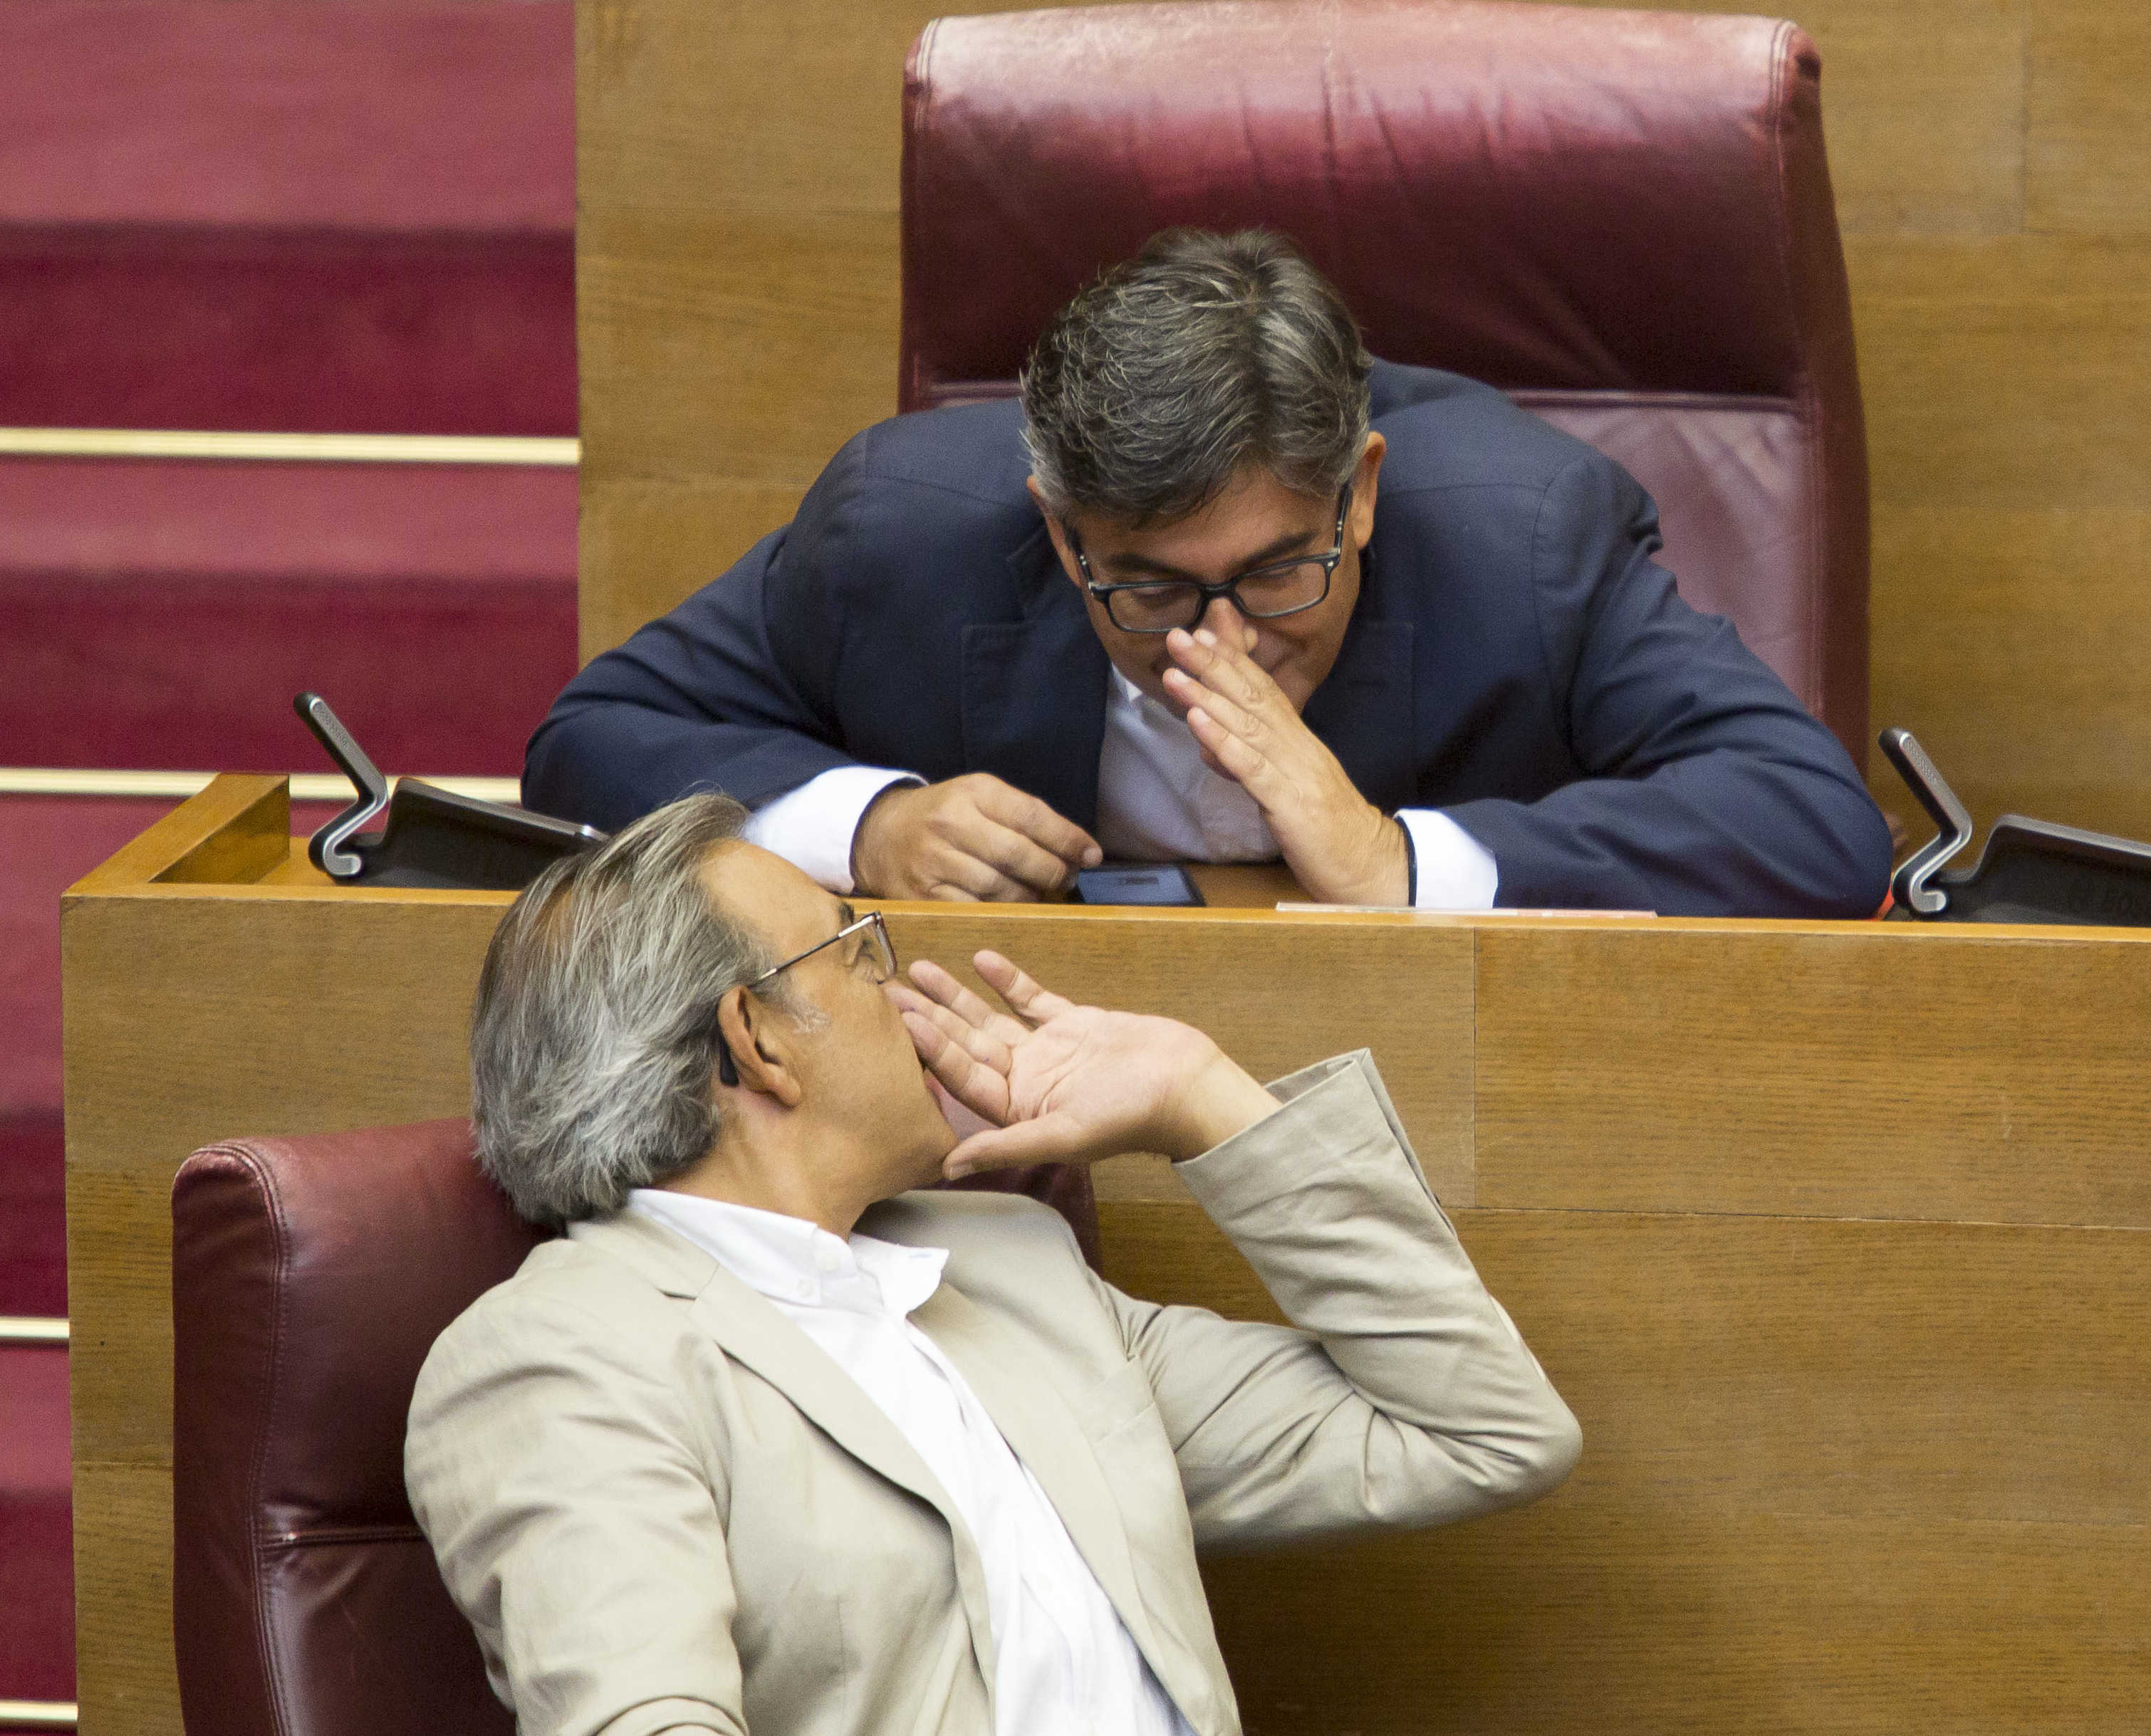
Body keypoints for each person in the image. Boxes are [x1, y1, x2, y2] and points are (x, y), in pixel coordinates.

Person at [405, 793, 1580, 1736]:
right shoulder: (562, 1356)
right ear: (754, 1040)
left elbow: (1485, 1430)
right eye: (858, 948)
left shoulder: (1011, 1270)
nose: (908, 991)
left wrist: (1199, 1095)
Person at [525, 229, 1890, 915]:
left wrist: (1397, 861)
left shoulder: (1527, 546)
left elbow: (1814, 822)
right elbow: (591, 738)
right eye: (1155, 592)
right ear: (1061, 531)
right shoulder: (899, 533)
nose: (1224, 640)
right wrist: (866, 828)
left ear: (1360, 491)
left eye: (1281, 573)